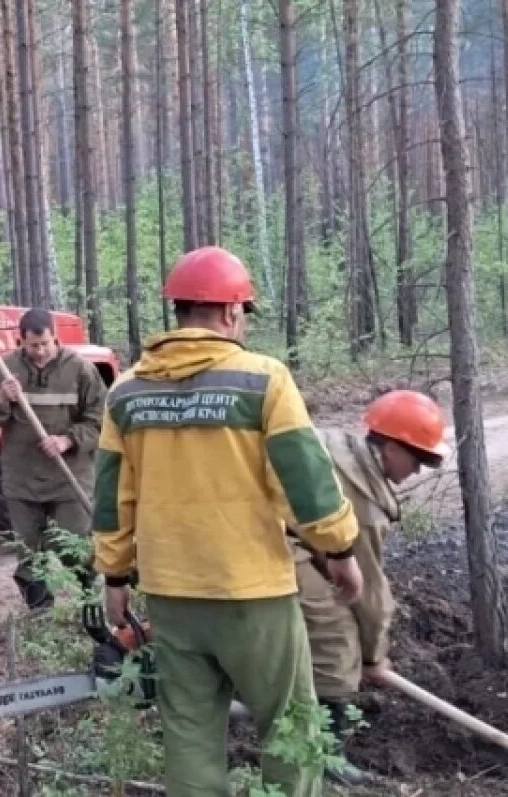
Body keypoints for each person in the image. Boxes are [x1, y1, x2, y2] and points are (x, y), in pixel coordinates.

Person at [92, 246, 365, 797]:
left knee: (189, 738)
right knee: (290, 728)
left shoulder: (127, 392)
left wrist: (115, 576)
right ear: (232, 311)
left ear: (179, 312)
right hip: (253, 594)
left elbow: (112, 499)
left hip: (172, 596)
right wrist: (340, 551)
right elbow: (306, 483)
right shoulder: (264, 379)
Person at [292, 389, 449, 786]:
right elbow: (367, 591)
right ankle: (325, 757)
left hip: (256, 534)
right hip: (265, 545)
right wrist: (372, 656)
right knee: (336, 635)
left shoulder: (335, 444)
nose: (418, 471)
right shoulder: (363, 507)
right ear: (391, 447)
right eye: (418, 459)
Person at [0, 307, 107, 610]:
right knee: (29, 553)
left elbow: (101, 421)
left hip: (68, 479)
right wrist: (1, 399)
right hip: (22, 480)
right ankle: (40, 614)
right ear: (21, 340)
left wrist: (67, 440)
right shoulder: (4, 369)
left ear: (55, 337)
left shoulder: (81, 370)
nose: (40, 351)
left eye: (45, 343)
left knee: (75, 547)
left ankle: (91, 606)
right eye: (33, 345)